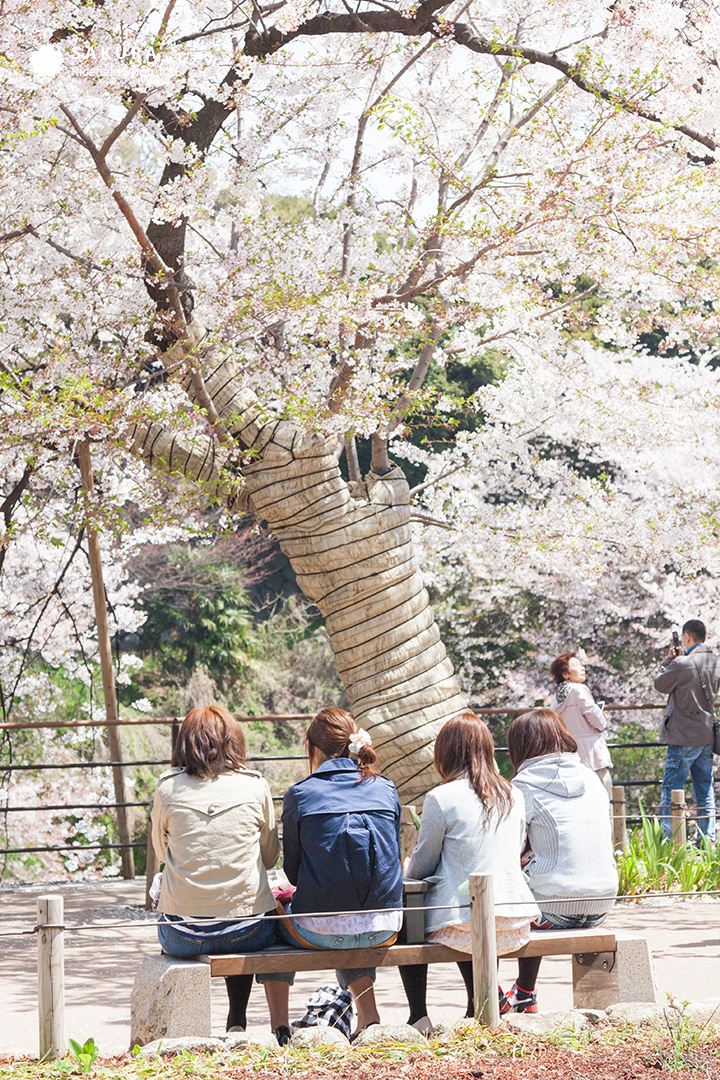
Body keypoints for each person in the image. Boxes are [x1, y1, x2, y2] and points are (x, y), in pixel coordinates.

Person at [258, 707, 403, 1040]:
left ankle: (279, 1027)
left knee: (272, 918)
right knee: (353, 908)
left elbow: (292, 873)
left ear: (311, 747)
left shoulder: (300, 793)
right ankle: (369, 1017)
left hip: (319, 931)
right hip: (384, 927)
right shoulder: (386, 788)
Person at [151, 705, 286, 1040]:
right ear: (233, 741)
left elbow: (161, 852)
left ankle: (204, 1027)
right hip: (248, 932)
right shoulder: (255, 786)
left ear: (185, 743)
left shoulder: (167, 788)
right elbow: (270, 858)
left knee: (193, 906)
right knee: (241, 922)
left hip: (181, 934)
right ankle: (236, 1018)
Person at [400, 712, 539, 1030]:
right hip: (513, 918)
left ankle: (418, 1013)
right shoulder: (513, 795)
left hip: (461, 922)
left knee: (412, 916)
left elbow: (424, 863)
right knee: (469, 906)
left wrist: (409, 868)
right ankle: (479, 1002)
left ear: (445, 753)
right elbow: (514, 850)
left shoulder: (441, 797)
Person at [504, 709, 618, 1013]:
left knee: (520, 885)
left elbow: (508, 851)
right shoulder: (592, 779)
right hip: (602, 905)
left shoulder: (522, 787)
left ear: (521, 746)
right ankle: (524, 992)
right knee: (542, 875)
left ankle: (519, 992)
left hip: (550, 913)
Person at [654, 619, 720, 843]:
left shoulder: (682, 663)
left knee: (672, 790)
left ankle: (669, 844)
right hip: (706, 735)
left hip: (683, 736)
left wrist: (669, 659)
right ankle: (708, 841)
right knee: (705, 790)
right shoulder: (715, 661)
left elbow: (660, 684)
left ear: (687, 637)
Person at [549, 651, 612, 799]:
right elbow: (594, 717)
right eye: (576, 665)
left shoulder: (557, 696)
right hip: (591, 752)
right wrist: (603, 721)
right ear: (565, 674)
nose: (582, 668)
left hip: (570, 753)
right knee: (603, 793)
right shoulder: (579, 689)